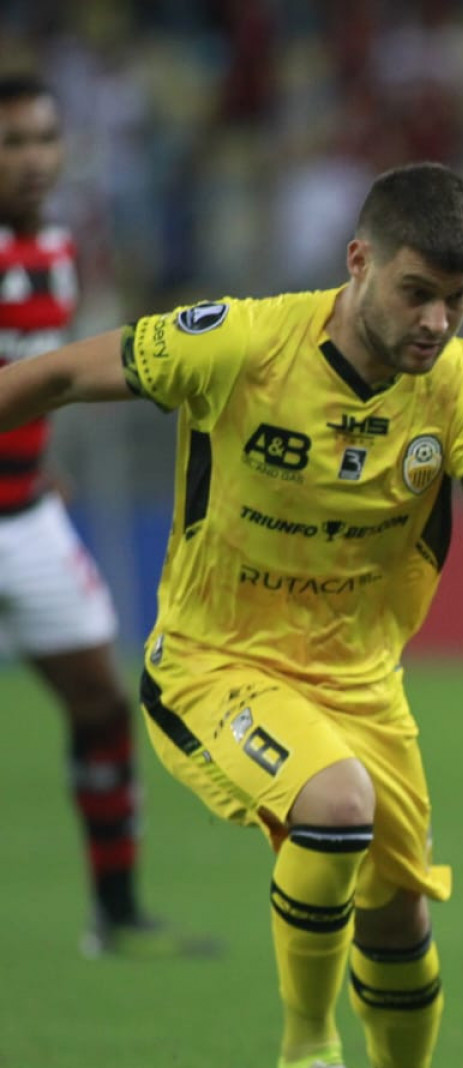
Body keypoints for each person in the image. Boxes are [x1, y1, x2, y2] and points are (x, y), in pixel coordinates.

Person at [0, 161, 463, 1068]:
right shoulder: (241, 342)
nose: (437, 319)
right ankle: (310, 1058)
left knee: (398, 910)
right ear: (359, 263)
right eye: (417, 292)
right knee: (334, 804)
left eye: (458, 297)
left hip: (361, 683)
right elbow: (49, 378)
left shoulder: (461, 383)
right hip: (215, 662)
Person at [0, 73, 216, 959]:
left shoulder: (56, 246)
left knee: (99, 701)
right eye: (12, 143)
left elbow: (34, 376)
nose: (32, 159)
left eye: (43, 139)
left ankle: (117, 917)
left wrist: (38, 463)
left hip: (25, 517)